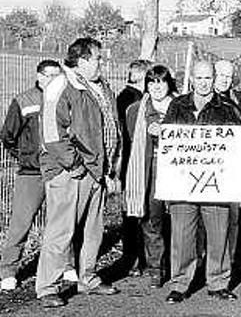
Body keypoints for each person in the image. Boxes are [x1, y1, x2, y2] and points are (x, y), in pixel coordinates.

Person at [162, 60, 241, 303]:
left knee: (219, 236)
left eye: (208, 78)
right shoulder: (177, 105)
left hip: (217, 186)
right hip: (183, 185)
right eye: (199, 78)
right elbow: (168, 142)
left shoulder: (227, 106)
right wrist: (159, 132)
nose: (204, 83)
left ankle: (217, 282)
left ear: (214, 79)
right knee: (182, 237)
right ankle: (180, 283)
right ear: (191, 79)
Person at [36, 37, 121, 308]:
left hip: (97, 170)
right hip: (71, 171)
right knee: (61, 231)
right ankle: (47, 286)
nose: (101, 62)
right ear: (82, 59)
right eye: (97, 58)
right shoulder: (61, 85)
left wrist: (109, 167)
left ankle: (88, 277)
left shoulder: (100, 86)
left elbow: (109, 127)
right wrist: (74, 165)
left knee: (93, 230)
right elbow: (52, 133)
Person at [0, 60, 68, 292]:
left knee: (61, 221)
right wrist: (26, 156)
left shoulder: (65, 98)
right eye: (49, 75)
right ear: (39, 76)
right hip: (31, 173)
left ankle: (66, 265)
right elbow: (8, 135)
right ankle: (8, 270)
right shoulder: (24, 100)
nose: (53, 80)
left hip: (60, 170)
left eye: (57, 75)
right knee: (21, 223)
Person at [124, 64, 178, 289]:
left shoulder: (181, 106)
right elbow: (129, 140)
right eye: (152, 82)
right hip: (148, 167)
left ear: (169, 83)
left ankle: (180, 265)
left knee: (179, 218)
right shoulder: (136, 110)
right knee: (152, 219)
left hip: (177, 167)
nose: (156, 87)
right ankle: (155, 267)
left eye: (161, 81)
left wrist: (165, 133)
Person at [213, 59, 241, 264]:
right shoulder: (202, 99)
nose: (225, 80)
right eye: (221, 75)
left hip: (233, 167)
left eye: (229, 76)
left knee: (233, 217)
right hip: (209, 167)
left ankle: (228, 260)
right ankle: (207, 259)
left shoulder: (240, 99)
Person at [117, 58, 151, 275]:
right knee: (134, 212)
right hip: (132, 162)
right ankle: (135, 256)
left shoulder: (125, 97)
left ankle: (137, 256)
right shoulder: (131, 100)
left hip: (130, 161)